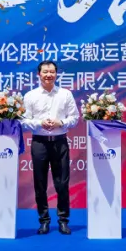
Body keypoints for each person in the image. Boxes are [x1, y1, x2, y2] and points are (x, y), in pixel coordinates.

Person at [21, 61, 79, 235]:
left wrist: (61, 122)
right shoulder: (30, 96)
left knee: (62, 183)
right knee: (40, 183)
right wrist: (39, 123)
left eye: (52, 72)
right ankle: (44, 220)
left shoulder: (65, 94)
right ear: (38, 74)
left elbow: (75, 118)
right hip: (39, 143)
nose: (49, 75)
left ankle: (63, 220)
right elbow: (23, 121)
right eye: (45, 72)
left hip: (60, 142)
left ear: (56, 74)